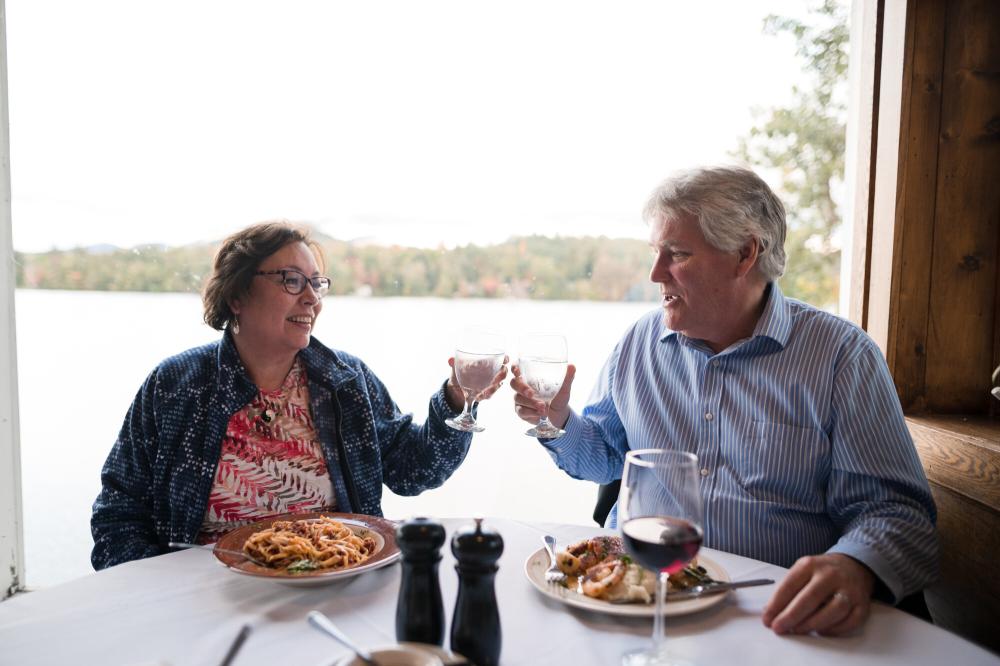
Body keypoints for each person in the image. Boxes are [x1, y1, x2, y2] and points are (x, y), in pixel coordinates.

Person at [511, 166, 938, 636]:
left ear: (745, 253)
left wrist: (855, 565)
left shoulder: (841, 357)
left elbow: (897, 514)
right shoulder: (638, 344)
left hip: (775, 618)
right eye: (656, 253)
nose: (655, 274)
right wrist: (558, 421)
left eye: (677, 254)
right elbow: (605, 459)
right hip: (638, 600)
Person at [92, 221, 505, 569]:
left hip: (336, 587)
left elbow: (413, 471)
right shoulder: (176, 385)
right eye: (291, 280)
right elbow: (117, 517)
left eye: (317, 284)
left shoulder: (345, 381)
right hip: (206, 601)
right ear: (236, 295)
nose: (311, 298)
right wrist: (158, 597)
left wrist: (456, 398)